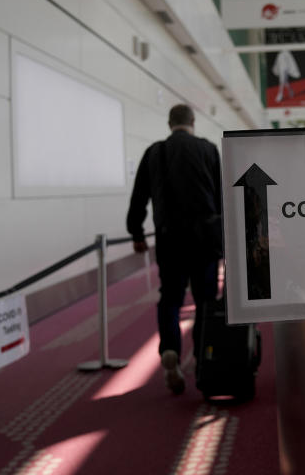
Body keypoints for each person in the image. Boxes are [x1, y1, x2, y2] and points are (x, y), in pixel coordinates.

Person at [126, 104, 223, 394]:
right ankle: (204, 355)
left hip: (170, 239)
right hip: (205, 238)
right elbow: (221, 194)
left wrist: (137, 232)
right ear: (193, 122)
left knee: (170, 298)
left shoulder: (154, 153)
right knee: (206, 299)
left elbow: (139, 197)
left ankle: (170, 351)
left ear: (169, 124)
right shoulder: (207, 150)